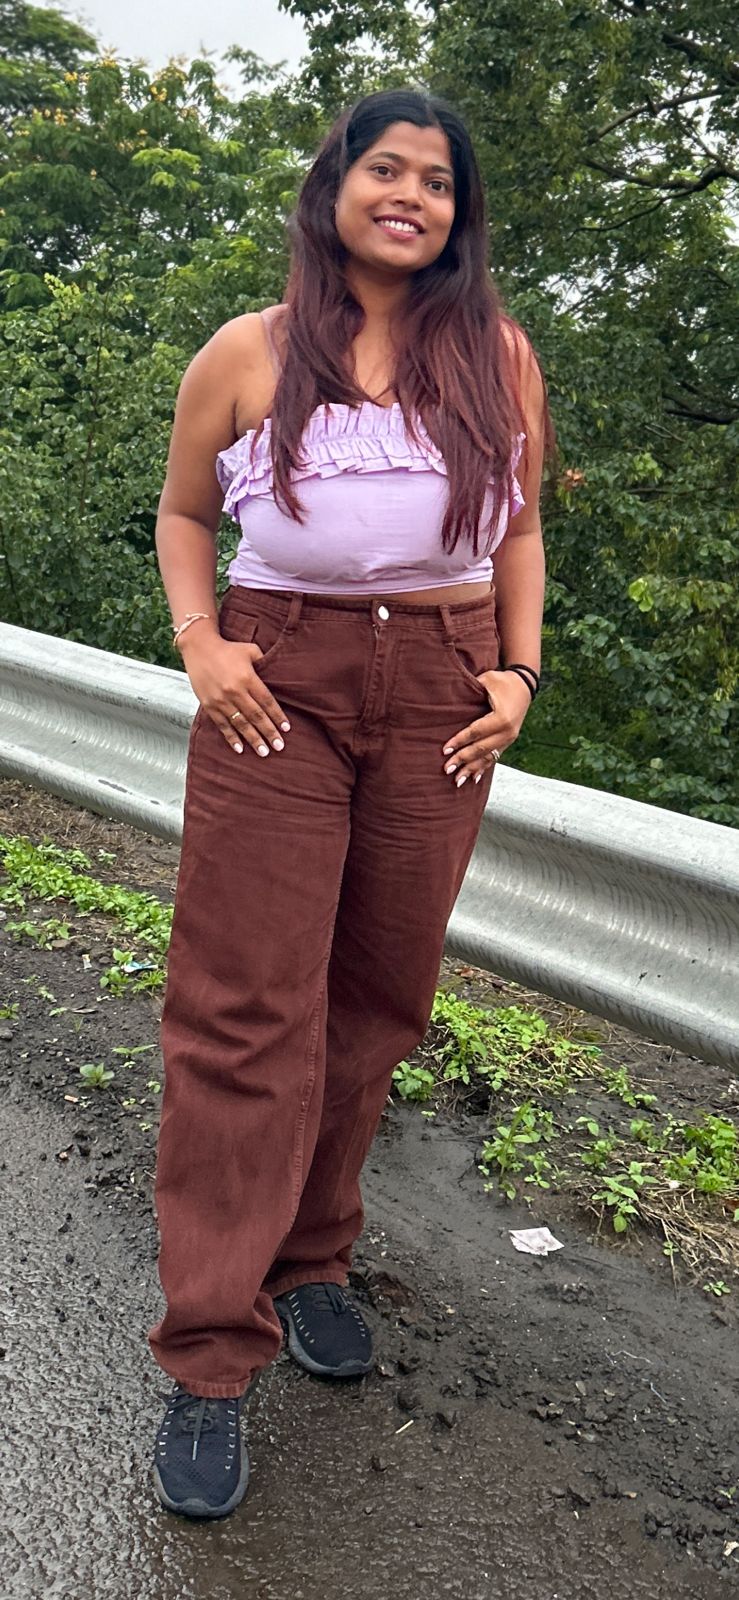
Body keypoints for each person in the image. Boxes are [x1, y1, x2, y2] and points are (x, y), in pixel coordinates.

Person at [149, 85, 553, 1520]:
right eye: (387, 169)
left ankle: (313, 1251)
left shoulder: (497, 354)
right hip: (284, 684)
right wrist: (203, 645)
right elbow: (189, 512)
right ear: (334, 188)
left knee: (378, 995)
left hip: (442, 691)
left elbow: (517, 524)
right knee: (247, 1004)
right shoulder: (248, 354)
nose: (412, 196)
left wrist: (517, 673)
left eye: (437, 182)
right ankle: (208, 1349)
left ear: (458, 218)